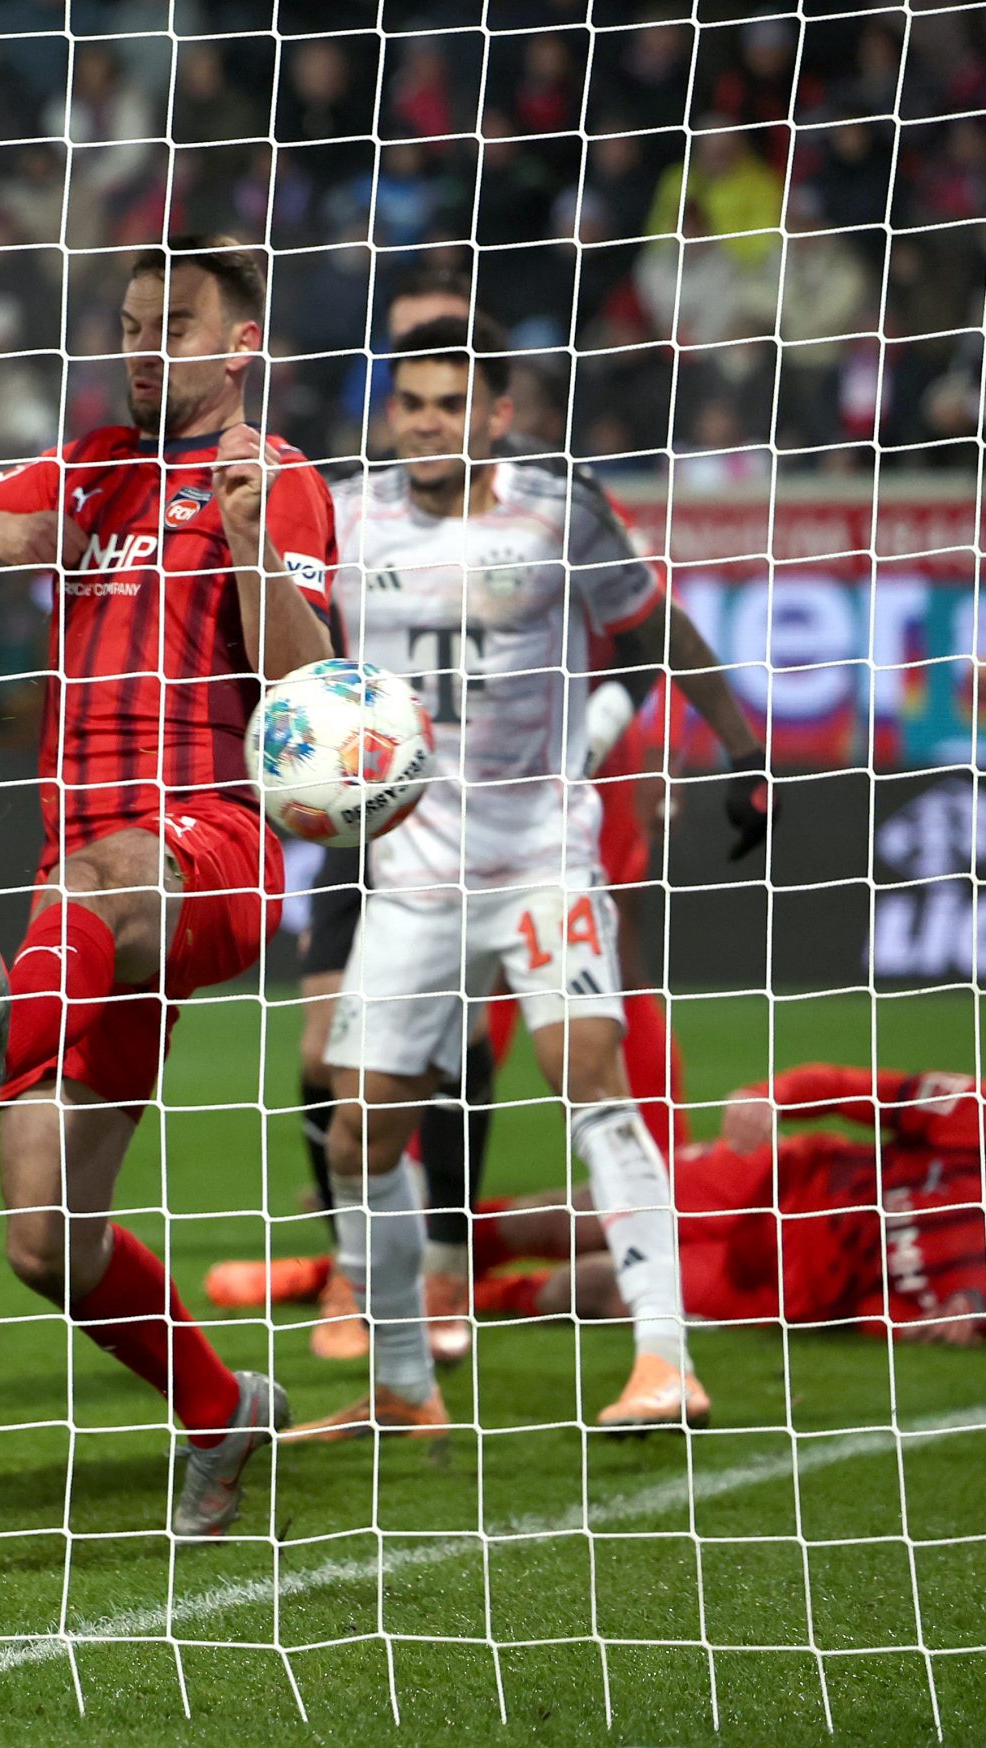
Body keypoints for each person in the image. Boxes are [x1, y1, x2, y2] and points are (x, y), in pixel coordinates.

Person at [0, 235, 339, 1537]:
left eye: (170, 324)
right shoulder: (83, 468)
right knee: (45, 1238)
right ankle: (221, 1408)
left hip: (211, 849)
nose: (142, 347)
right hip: (79, 900)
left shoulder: (276, 479)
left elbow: (309, 694)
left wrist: (248, 545)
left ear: (238, 344)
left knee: (100, 872)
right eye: (130, 325)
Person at [294, 316, 772, 1444]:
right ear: (390, 413)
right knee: (358, 1132)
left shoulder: (560, 511)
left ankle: (665, 1361)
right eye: (412, 404)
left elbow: (655, 628)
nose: (428, 424)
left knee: (589, 1078)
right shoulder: (344, 516)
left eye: (452, 405)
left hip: (541, 862)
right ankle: (402, 1384)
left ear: (497, 416)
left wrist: (743, 750)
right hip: (409, 876)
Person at [469, 1065, 986, 1348]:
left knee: (589, 1286)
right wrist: (771, 1095)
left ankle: (468, 1302)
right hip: (768, 1176)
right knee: (560, 1219)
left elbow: (874, 1314)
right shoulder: (973, 1115)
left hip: (782, 1286)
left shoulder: (972, 1296)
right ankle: (442, 1252)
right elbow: (844, 1087)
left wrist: (929, 1328)